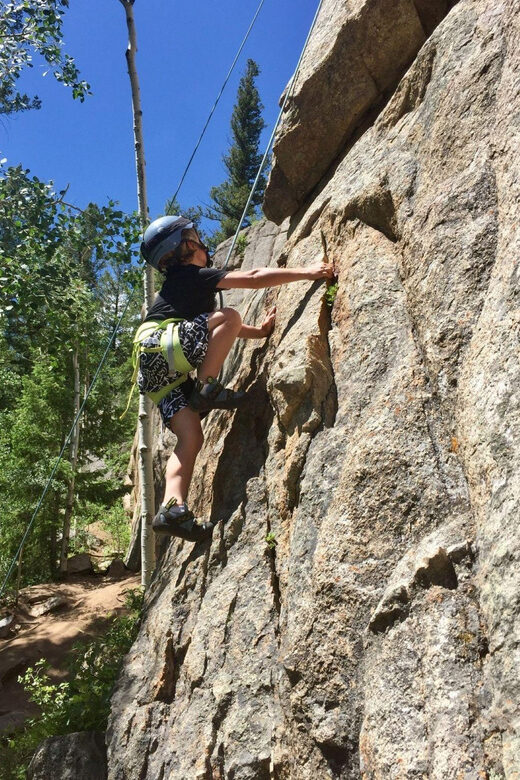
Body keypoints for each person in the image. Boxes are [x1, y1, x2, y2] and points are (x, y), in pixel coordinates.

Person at [138, 215, 334, 542]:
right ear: (184, 246)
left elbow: (210, 325)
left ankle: (171, 508)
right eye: (196, 238)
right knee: (229, 314)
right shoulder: (193, 275)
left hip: (155, 364)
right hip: (165, 345)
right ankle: (207, 387)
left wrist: (258, 332)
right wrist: (307, 272)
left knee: (191, 438)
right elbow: (254, 278)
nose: (203, 244)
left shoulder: (177, 290)